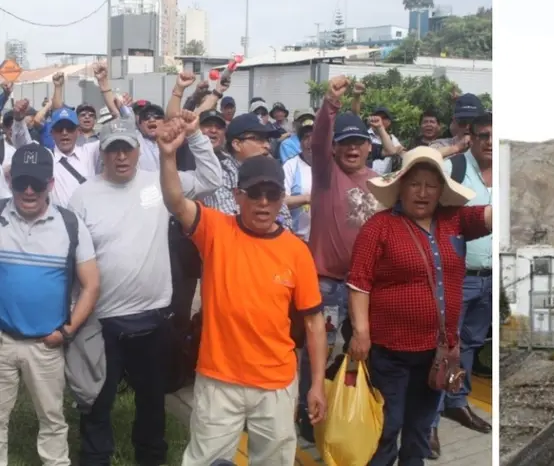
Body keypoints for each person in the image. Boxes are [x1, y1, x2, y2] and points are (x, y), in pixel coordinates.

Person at [156, 116, 327, 465]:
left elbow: (314, 323)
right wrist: (168, 156)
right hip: (219, 380)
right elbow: (176, 201)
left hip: (276, 384)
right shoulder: (216, 230)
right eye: (255, 194)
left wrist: (317, 383)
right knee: (204, 460)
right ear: (237, 196)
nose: (263, 203)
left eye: (272, 194)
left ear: (283, 198)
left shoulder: (296, 250)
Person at [69, 113, 223, 466]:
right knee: (96, 402)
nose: (121, 157)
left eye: (127, 149)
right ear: (102, 154)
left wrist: (194, 135)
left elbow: (210, 179)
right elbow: (71, 258)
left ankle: (150, 459)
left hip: (152, 321)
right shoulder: (83, 196)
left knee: (152, 403)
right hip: (100, 323)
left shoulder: (159, 184)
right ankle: (95, 458)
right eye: (113, 150)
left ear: (139, 150)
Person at [347, 146, 493, 466]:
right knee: (387, 426)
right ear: (401, 187)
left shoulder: (454, 221)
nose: (423, 192)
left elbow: (495, 214)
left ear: (442, 190)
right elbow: (359, 283)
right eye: (415, 184)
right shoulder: (379, 227)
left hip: (438, 354)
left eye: (431, 184)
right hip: (391, 353)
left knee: (420, 427)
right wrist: (361, 332)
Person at [0, 144, 100, 466]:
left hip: (46, 345)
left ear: (51, 184)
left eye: (38, 183)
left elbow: (91, 284)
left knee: (53, 421)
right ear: (10, 179)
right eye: (21, 182)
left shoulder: (70, 225)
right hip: (2, 341)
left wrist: (67, 331)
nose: (29, 190)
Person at [300, 75, 379, 441]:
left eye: (358, 142)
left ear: (368, 147)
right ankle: (308, 411)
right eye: (344, 143)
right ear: (334, 149)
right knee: (319, 351)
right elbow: (318, 139)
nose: (351, 149)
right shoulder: (325, 176)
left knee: (363, 351)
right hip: (328, 283)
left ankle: (355, 410)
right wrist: (330, 104)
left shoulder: (381, 182)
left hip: (365, 288)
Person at [432, 113, 493, 456]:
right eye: (482, 135)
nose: (488, 142)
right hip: (457, 277)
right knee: (443, 347)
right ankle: (430, 420)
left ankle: (457, 401)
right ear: (470, 136)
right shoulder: (454, 168)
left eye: (493, 137)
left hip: (487, 280)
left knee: (469, 345)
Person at [201, 113, 292, 226]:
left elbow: (286, 221)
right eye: (258, 139)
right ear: (237, 144)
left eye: (267, 140)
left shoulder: (270, 171)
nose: (267, 146)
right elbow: (229, 222)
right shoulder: (219, 174)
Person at [10, 99, 101, 207]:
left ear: (78, 131)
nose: (64, 133)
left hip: (88, 220)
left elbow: (119, 138)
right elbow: (23, 145)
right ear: (52, 133)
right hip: (61, 222)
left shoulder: (90, 152)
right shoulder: (46, 157)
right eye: (59, 128)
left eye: (69, 128)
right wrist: (19, 120)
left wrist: (122, 109)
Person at [283, 118, 314, 241]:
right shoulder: (290, 166)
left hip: (325, 240)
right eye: (306, 137)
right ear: (300, 143)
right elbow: (281, 201)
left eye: (315, 136)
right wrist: (308, 198)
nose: (310, 142)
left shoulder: (331, 166)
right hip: (298, 238)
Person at [367, 106, 403, 174]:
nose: (380, 120)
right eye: (377, 116)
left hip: (384, 181)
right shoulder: (364, 135)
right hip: (366, 180)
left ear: (389, 122)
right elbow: (395, 150)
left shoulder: (392, 138)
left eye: (384, 118)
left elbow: (402, 151)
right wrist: (395, 150)